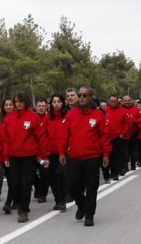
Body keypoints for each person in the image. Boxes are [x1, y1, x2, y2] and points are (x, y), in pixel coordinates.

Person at [62, 86, 111, 227]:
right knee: (72, 186)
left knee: (91, 187)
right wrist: (61, 152)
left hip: (92, 157)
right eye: (80, 95)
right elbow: (64, 134)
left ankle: (89, 215)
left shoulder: (98, 115)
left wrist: (106, 154)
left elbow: (104, 136)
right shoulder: (71, 114)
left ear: (91, 97)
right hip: (74, 156)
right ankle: (81, 204)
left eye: (85, 95)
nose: (82, 97)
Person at [1, 92, 46, 222]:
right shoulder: (9, 118)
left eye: (21, 101)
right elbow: (5, 139)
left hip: (29, 156)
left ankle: (24, 210)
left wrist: (43, 156)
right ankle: (19, 203)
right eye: (16, 101)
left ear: (26, 102)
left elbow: (41, 138)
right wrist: (5, 157)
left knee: (26, 183)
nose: (18, 104)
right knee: (14, 183)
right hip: (13, 156)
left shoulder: (33, 116)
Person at [44, 94, 69, 211]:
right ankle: (57, 199)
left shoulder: (68, 116)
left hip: (64, 152)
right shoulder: (47, 118)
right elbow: (43, 135)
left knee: (61, 174)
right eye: (54, 102)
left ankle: (63, 200)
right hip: (50, 152)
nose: (56, 104)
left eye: (59, 101)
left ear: (63, 103)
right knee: (51, 176)